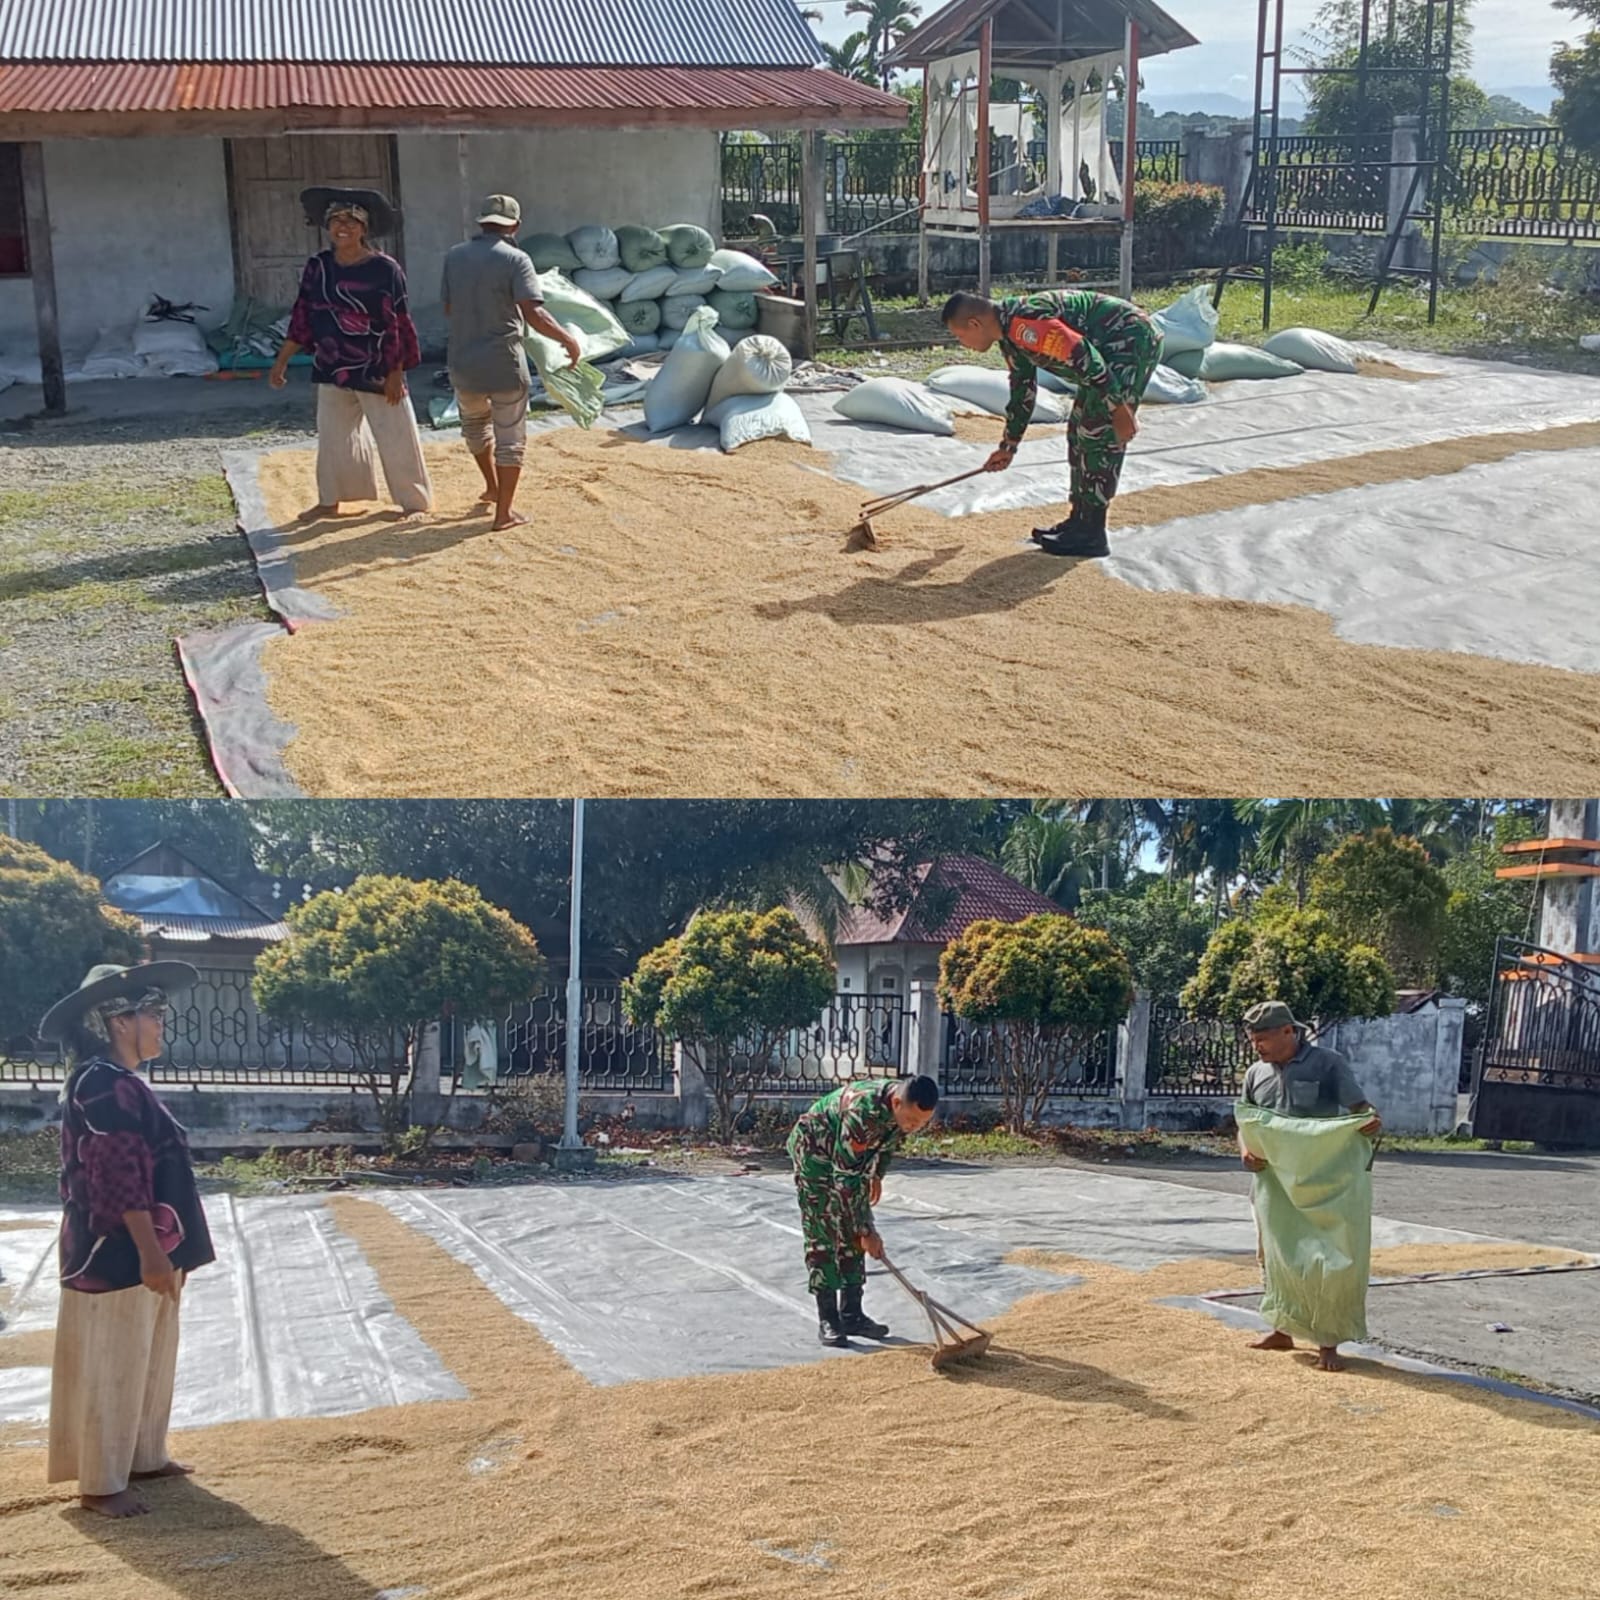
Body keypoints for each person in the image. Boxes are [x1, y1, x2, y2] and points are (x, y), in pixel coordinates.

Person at [37, 962, 216, 1519]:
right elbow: (117, 1176)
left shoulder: (119, 1081)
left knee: (148, 1353)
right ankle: (101, 1481)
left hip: (148, 1247)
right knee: (115, 1358)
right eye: (153, 1014)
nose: (161, 1024)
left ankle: (142, 1455)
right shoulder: (101, 1084)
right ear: (119, 1021)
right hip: (116, 1253)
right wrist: (150, 1252)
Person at [941, 289, 1163, 560]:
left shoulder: (1025, 326)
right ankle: (1080, 522)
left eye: (959, 336)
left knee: (1096, 432)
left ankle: (1092, 533)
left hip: (1128, 339)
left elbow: (1084, 356)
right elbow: (1023, 391)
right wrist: (1008, 446)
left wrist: (1119, 409)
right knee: (1078, 432)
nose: (962, 343)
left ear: (975, 323)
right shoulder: (1009, 336)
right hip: (1104, 355)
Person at [269, 187, 434, 521]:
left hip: (377, 367)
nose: (342, 227)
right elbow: (303, 314)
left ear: (364, 229)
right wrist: (282, 359)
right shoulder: (319, 267)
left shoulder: (385, 270)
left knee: (396, 435)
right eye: (335, 221)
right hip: (332, 365)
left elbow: (398, 322)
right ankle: (331, 501)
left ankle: (415, 503)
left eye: (351, 221)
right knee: (333, 438)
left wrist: (395, 373)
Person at [1238, 999, 1382, 1373]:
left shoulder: (1328, 1063)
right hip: (1273, 1183)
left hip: (1323, 1182)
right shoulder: (1256, 1073)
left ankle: (1327, 1341)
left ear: (1289, 1031)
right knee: (1274, 1254)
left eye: (1264, 1039)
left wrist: (1369, 1123)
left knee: (1324, 1261)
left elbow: (1361, 1110)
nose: (1258, 1047)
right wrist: (1245, 1151)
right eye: (1253, 1040)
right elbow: (1246, 1121)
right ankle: (1281, 1329)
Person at [442, 194, 583, 532]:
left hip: (462, 361)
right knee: (511, 438)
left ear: (480, 222)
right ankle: (503, 513)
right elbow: (533, 312)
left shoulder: (454, 256)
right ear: (516, 226)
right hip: (503, 362)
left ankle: (491, 486)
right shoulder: (517, 259)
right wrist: (567, 339)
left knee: (475, 426)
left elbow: (448, 308)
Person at [786, 1075, 939, 1347]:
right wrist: (866, 1229)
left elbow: (888, 1142)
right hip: (814, 1153)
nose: (914, 1128)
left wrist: (876, 1174)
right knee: (823, 1230)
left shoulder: (898, 1108)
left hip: (848, 1161)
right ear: (896, 1102)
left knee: (852, 1235)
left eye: (922, 1124)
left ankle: (852, 1314)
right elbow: (845, 1181)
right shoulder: (862, 1113)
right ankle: (829, 1319)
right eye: (913, 1121)